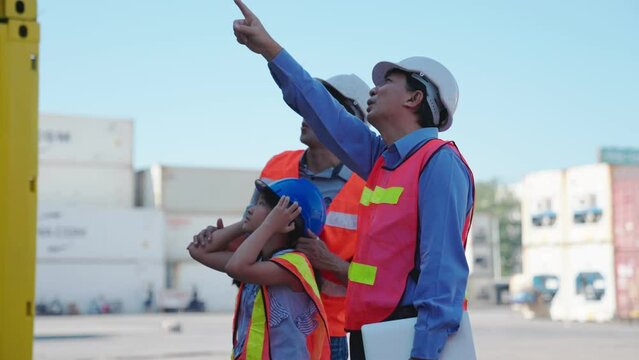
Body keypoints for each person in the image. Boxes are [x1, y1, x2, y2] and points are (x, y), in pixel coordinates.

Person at [230, 1, 476, 360]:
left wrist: (424, 353)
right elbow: (319, 107)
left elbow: (442, 274)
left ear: (415, 97)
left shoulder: (439, 164)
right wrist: (269, 49)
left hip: (409, 336)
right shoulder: (382, 159)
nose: (374, 89)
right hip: (370, 332)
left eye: (387, 82)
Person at [192, 75, 369, 360]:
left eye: (318, 107)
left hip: (327, 331)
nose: (305, 113)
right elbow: (249, 241)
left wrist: (331, 263)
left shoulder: (370, 187)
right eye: (306, 104)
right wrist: (222, 237)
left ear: (349, 122)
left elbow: (379, 280)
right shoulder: (277, 165)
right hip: (261, 320)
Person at [188, 178, 331, 359]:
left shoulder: (293, 265)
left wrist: (267, 225)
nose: (250, 208)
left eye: (261, 204)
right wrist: (244, 225)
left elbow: (236, 268)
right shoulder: (258, 260)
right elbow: (198, 251)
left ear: (286, 220)